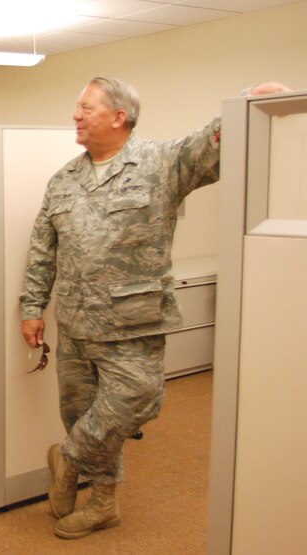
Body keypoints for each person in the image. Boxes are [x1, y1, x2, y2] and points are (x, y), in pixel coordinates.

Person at [19, 77, 292, 539]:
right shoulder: (64, 179)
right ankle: (103, 505)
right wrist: (32, 306)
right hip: (76, 322)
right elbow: (43, 249)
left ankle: (66, 459)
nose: (76, 116)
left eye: (85, 108)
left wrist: (248, 104)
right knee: (82, 414)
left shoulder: (160, 162)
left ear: (118, 116)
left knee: (134, 402)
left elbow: (211, 146)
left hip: (134, 322)